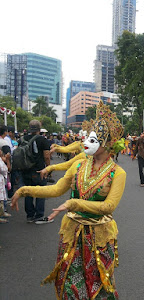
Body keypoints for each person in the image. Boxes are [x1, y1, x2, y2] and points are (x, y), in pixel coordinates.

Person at [11, 101, 126, 299]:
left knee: (99, 283)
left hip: (98, 236)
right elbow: (56, 190)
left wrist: (73, 204)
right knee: (70, 281)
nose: (86, 143)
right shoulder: (80, 165)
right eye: (87, 138)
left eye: (93, 139)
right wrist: (24, 190)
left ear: (106, 143)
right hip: (73, 232)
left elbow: (108, 207)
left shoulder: (118, 173)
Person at [20, 120, 51, 224]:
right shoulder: (42, 140)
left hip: (25, 169)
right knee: (40, 192)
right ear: (39, 128)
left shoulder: (23, 139)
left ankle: (30, 215)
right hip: (39, 170)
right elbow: (47, 156)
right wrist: (48, 168)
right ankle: (39, 216)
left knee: (28, 192)